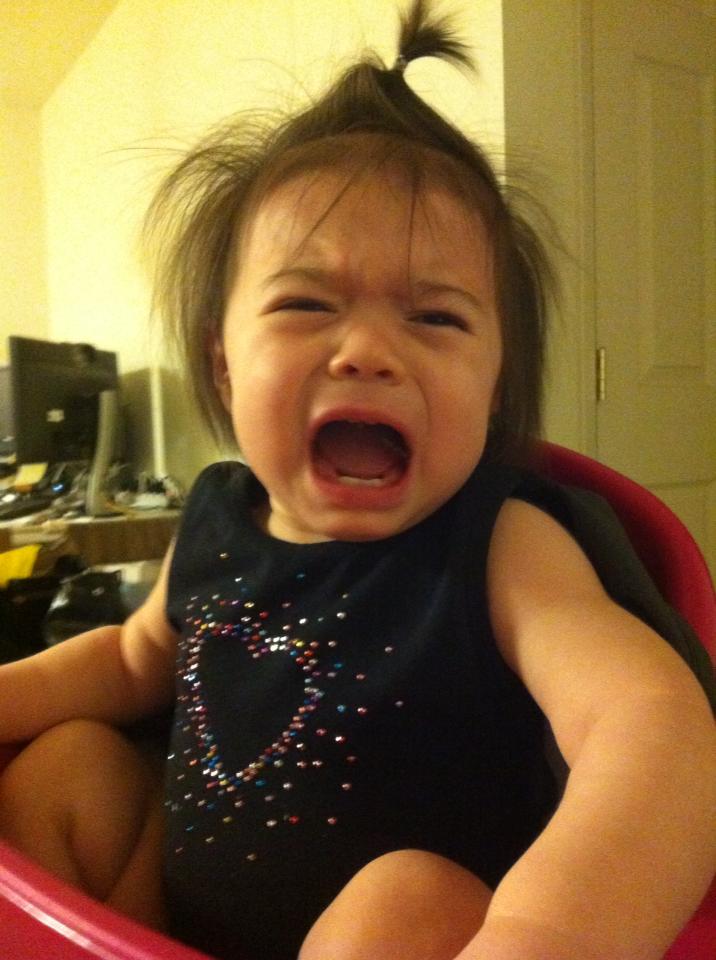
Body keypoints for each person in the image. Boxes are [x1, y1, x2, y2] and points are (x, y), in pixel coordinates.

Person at [0, 2, 714, 959]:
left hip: (418, 940)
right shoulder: (214, 517)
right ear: (223, 366)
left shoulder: (499, 543)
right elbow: (133, 661)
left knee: (403, 899)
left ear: (495, 384)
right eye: (306, 303)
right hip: (173, 927)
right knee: (66, 765)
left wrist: (546, 932)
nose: (368, 350)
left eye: (436, 318)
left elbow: (647, 720)